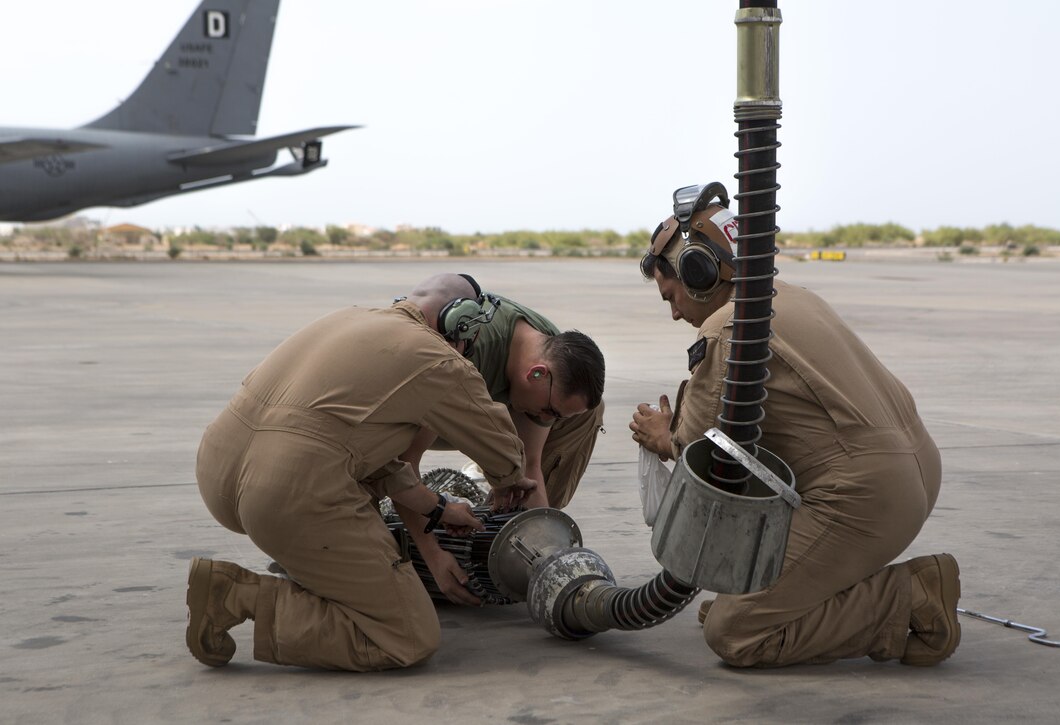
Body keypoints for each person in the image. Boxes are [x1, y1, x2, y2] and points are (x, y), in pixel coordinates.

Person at [628, 184, 959, 668]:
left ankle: (911, 597)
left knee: (734, 633)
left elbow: (699, 446)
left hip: (861, 495)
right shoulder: (793, 296)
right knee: (744, 602)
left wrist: (662, 435)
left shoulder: (726, 326)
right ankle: (787, 603)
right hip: (916, 469)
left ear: (698, 274)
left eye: (671, 294)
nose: (675, 310)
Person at [188, 273, 538, 671]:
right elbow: (500, 444)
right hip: (286, 496)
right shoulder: (437, 359)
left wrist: (439, 508)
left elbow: (367, 458)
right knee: (405, 637)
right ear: (461, 322)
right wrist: (511, 479)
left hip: (217, 472)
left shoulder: (349, 319)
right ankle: (234, 595)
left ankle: (329, 574)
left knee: (344, 469)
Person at [400, 289, 606, 510]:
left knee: (586, 413)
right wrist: (431, 536)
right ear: (537, 373)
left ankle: (508, 520)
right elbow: (404, 464)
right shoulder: (462, 351)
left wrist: (543, 533)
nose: (548, 419)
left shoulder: (555, 351)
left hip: (479, 413)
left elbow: (530, 463)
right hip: (409, 411)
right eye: (550, 410)